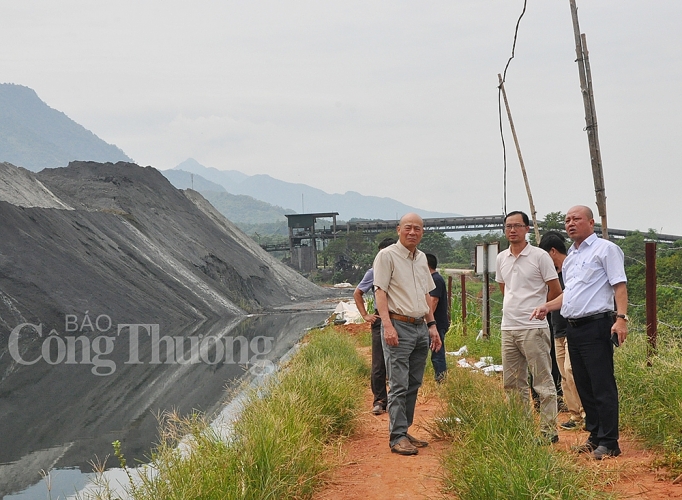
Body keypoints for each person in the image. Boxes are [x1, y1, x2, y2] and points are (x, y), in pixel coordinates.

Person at [531, 206, 628, 460]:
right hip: (573, 329)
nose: (570, 223)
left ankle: (610, 441)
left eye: (576, 219)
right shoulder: (572, 256)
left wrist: (621, 319)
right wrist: (547, 306)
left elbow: (619, 285)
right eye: (567, 220)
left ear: (591, 222)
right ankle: (595, 435)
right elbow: (569, 295)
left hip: (597, 326)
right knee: (583, 385)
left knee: (602, 384)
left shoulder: (605, 250)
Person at [373, 213, 442, 456]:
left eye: (418, 229)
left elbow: (425, 293)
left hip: (419, 326)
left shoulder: (421, 258)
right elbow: (380, 292)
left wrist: (431, 325)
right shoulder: (387, 256)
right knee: (399, 384)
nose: (413, 232)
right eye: (408, 228)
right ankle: (397, 437)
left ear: (422, 232)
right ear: (398, 229)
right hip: (398, 325)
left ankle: (404, 429)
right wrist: (387, 325)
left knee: (414, 383)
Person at [496, 211, 562, 443]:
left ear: (526, 229)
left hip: (533, 327)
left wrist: (539, 307)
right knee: (512, 382)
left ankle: (548, 432)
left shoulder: (539, 256)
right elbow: (505, 289)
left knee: (542, 381)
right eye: (508, 226)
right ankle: (521, 428)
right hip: (509, 326)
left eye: (517, 226)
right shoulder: (502, 258)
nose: (512, 230)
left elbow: (555, 290)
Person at [539, 231, 584, 430]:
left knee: (571, 371)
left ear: (553, 252)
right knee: (564, 376)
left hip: (572, 328)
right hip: (557, 329)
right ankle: (575, 415)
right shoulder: (555, 274)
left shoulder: (572, 270)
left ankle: (585, 412)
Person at [353, 237, 397, 415]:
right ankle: (379, 399)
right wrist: (365, 315)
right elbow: (357, 293)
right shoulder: (373, 272)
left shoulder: (404, 269)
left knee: (398, 361)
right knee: (379, 362)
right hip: (380, 319)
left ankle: (397, 400)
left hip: (401, 318)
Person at [425, 253, 449, 382]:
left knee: (437, 352)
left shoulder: (435, 279)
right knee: (435, 351)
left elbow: (433, 301)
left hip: (436, 323)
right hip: (436, 322)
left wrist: (428, 321)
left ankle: (441, 379)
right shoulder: (435, 278)